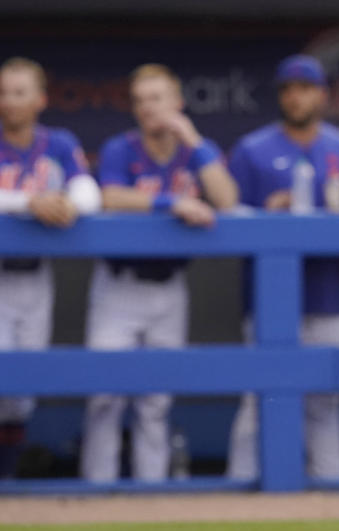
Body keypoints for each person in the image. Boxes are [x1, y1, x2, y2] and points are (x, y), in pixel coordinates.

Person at [226, 55, 339, 480]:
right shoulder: (252, 150)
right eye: (288, 89)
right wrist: (261, 212)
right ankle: (236, 494)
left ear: (322, 94)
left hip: (328, 294)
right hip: (268, 301)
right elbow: (226, 217)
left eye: (305, 88)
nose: (296, 97)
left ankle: (331, 497)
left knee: (326, 405)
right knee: (258, 403)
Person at [79, 64, 238, 483]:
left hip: (170, 288)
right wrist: (171, 203)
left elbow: (226, 197)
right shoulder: (121, 147)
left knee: (156, 400)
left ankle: (152, 494)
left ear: (177, 103)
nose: (147, 108)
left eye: (156, 98)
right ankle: (95, 493)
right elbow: (109, 196)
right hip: (119, 287)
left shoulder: (194, 149)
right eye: (140, 100)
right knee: (104, 397)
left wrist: (193, 140)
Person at [0, 57, 101, 478]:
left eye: (19, 92)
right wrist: (30, 202)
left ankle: (7, 476)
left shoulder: (57, 142)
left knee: (24, 390)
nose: (9, 101)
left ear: (40, 99)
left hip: (35, 276)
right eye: (3, 92)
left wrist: (65, 204)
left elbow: (89, 195)